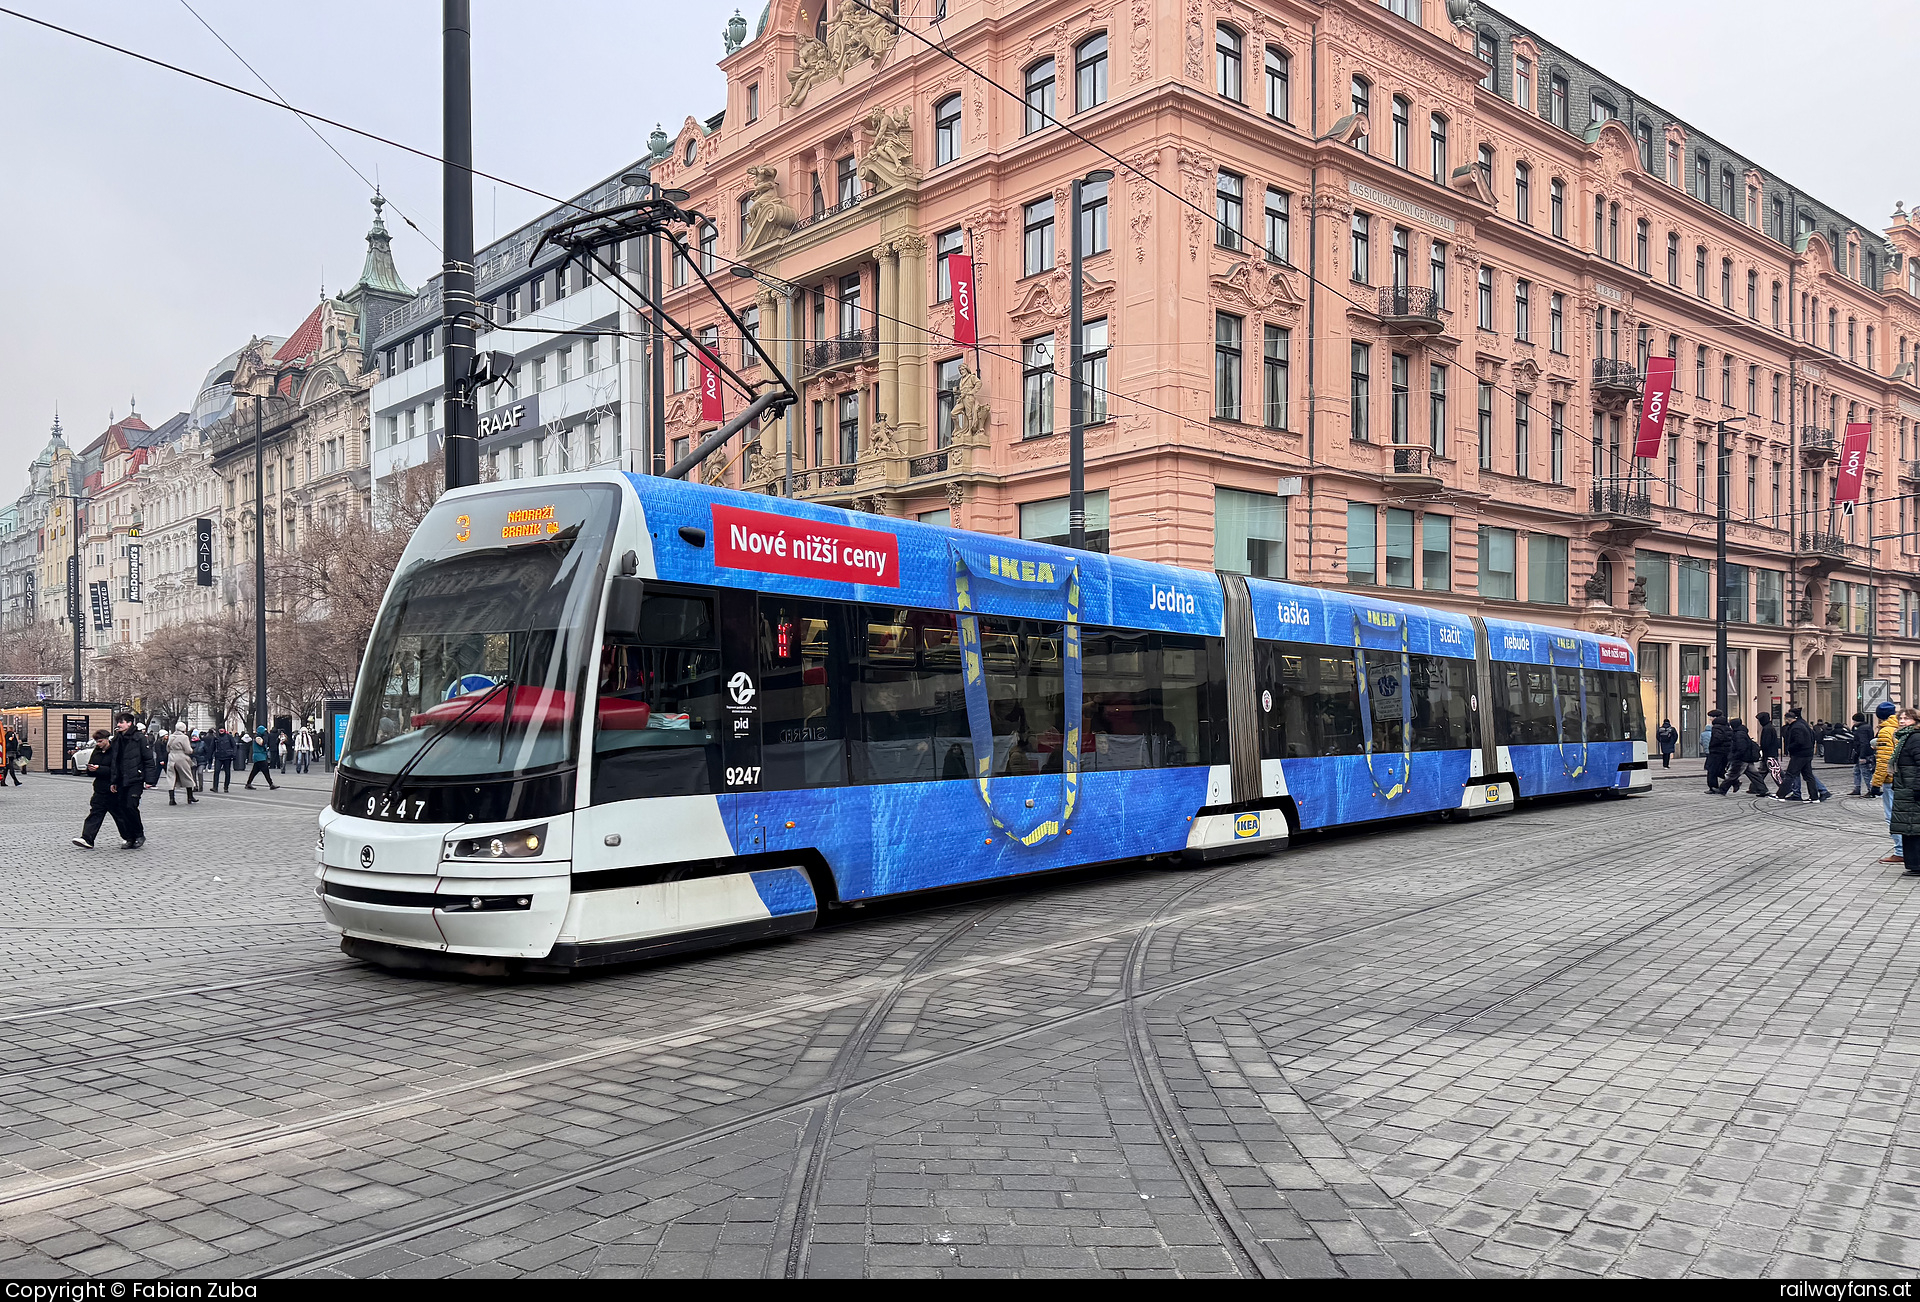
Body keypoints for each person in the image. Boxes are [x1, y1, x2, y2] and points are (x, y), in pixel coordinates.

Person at [73, 715, 145, 849]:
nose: (98, 744)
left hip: (113, 789)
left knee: (121, 815)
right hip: (100, 788)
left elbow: (115, 768)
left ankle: (130, 837)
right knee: (95, 813)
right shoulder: (98, 751)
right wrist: (92, 769)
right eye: (96, 742)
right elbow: (92, 769)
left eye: (100, 741)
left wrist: (100, 769)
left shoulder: (116, 749)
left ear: (107, 740)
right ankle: (87, 838)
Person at [1774, 707, 1831, 802]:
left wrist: (1789, 748)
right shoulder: (1803, 724)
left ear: (1789, 719)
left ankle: (1781, 795)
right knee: (1808, 775)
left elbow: (1799, 741)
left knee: (1790, 774)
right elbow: (1812, 737)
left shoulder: (1797, 727)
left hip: (1799, 754)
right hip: (1807, 753)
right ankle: (1814, 797)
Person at [1888, 707, 1920, 876]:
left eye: (1906, 718)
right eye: (1900, 718)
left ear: (1915, 721)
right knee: (1909, 827)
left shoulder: (1914, 738)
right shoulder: (1904, 738)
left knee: (1913, 828)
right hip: (1905, 789)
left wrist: (1917, 788)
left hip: (1911, 789)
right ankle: (1913, 864)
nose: (1902, 721)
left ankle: (1916, 865)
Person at [1872, 701, 1903, 863]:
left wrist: (1876, 784)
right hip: (1903, 779)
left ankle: (1900, 851)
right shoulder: (1900, 728)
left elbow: (1884, 761)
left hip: (1891, 780)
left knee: (1892, 816)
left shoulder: (1886, 731)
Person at [165, 729, 198, 806]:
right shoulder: (184, 737)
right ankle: (190, 797)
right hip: (181, 757)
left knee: (171, 778)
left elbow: (167, 748)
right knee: (187, 776)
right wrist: (192, 751)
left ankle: (171, 799)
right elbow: (188, 750)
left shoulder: (171, 736)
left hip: (171, 757)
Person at [1704, 711, 1732, 794]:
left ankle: (1713, 787)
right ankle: (1733, 781)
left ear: (1715, 717)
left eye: (1711, 717)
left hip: (1716, 751)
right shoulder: (1727, 726)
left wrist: (1711, 746)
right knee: (1720, 770)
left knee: (1712, 770)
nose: (1710, 719)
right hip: (1725, 752)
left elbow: (1717, 738)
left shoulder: (1716, 727)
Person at [1851, 712, 1877, 796]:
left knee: (1865, 772)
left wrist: (1862, 756)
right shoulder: (1868, 727)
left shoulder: (1861, 729)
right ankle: (1857, 788)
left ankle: (1870, 790)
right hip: (1864, 752)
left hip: (1863, 754)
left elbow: (1864, 743)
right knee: (1856, 770)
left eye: (1854, 721)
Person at [244, 725, 278, 790]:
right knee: (266, 771)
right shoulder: (257, 738)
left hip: (260, 756)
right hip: (259, 756)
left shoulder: (259, 737)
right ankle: (271, 784)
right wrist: (265, 737)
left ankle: (248, 783)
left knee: (254, 771)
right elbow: (262, 743)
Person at [1759, 714, 1783, 790]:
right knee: (1763, 771)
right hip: (1770, 753)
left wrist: (1762, 748)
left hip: (1769, 753)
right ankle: (1755, 787)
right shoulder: (1769, 727)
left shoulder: (1767, 729)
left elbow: (1766, 742)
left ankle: (1784, 787)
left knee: (1775, 771)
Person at [211, 728, 236, 792]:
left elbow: (234, 746)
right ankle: (215, 787)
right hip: (218, 756)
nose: (221, 730)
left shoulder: (229, 736)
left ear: (224, 730)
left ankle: (226, 787)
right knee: (216, 771)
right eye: (220, 729)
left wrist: (233, 754)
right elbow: (212, 747)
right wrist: (209, 756)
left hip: (227, 756)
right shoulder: (216, 737)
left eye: (222, 729)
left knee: (227, 772)